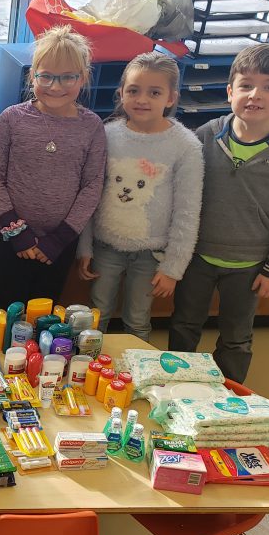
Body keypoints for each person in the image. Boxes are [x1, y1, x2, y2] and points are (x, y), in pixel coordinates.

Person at [169, 44, 269, 383]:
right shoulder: (205, 136)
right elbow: (181, 193)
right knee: (184, 324)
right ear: (230, 91)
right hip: (198, 257)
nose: (255, 95)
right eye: (246, 85)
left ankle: (230, 396)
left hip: (250, 265)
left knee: (235, 335)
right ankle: (172, 385)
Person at [77, 52, 204, 341]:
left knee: (137, 320)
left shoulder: (186, 147)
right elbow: (88, 195)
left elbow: (187, 211)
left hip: (152, 254)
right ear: (121, 93)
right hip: (105, 246)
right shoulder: (106, 135)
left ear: (171, 98)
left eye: (154, 92)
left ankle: (134, 380)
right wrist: (84, 248)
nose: (142, 99)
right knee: (97, 314)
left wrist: (173, 267)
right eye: (134, 90)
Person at [0, 25, 106, 308]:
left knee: (44, 320)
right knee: (7, 313)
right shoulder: (12, 119)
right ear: (33, 75)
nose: (55, 86)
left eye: (67, 78)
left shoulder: (91, 126)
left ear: (83, 77)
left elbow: (92, 185)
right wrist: (18, 234)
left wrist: (59, 238)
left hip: (59, 244)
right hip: (11, 239)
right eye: (46, 76)